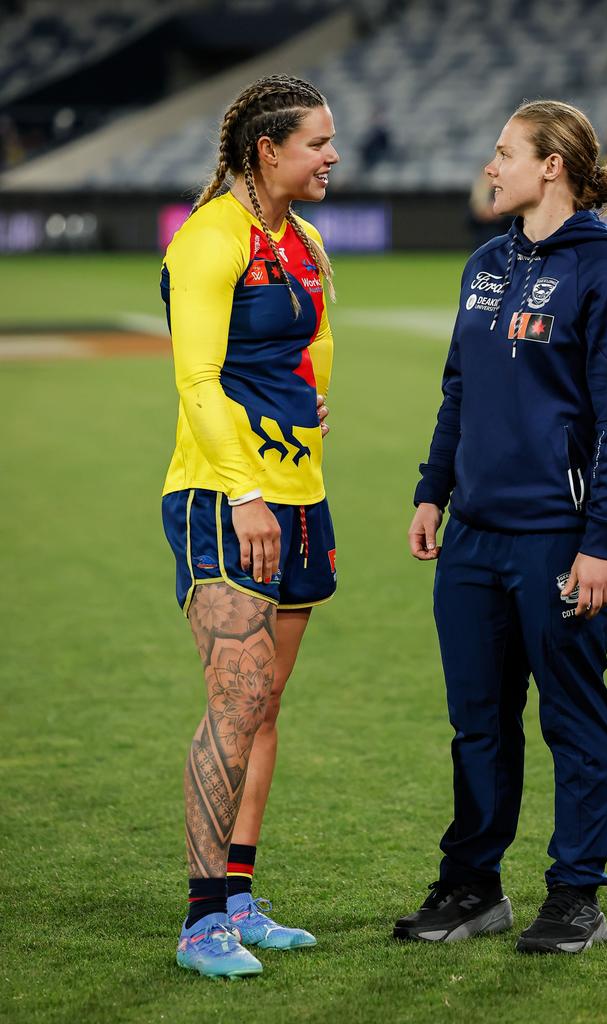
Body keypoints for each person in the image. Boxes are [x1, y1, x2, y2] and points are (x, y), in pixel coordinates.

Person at [394, 100, 607, 953]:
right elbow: (458, 389)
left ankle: (576, 894)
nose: (489, 166)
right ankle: (472, 886)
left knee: (572, 719)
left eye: (503, 152)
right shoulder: (483, 264)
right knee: (477, 721)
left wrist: (603, 541)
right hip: (471, 536)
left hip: (557, 537)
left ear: (553, 166)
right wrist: (433, 490)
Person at [160, 75, 340, 977]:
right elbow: (197, 384)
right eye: (317, 142)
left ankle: (239, 899)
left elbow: (316, 343)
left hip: (299, 493)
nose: (332, 157)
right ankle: (200, 924)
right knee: (232, 706)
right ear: (268, 150)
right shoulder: (208, 239)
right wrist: (244, 494)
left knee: (265, 707)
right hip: (225, 499)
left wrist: (316, 410)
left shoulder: (301, 239)